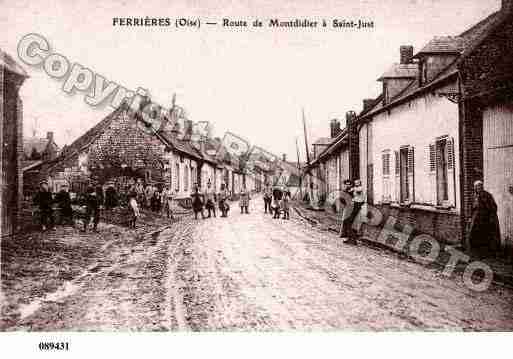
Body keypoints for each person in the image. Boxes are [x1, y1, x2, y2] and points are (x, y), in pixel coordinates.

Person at [467, 180, 501, 256]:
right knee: (473, 234)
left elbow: (493, 207)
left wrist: (490, 215)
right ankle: (475, 251)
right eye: (476, 186)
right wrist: (470, 216)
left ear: (482, 187)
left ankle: (486, 252)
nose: (477, 188)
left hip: (485, 218)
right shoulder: (474, 196)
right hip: (475, 217)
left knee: (485, 235)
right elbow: (471, 207)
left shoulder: (487, 195)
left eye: (479, 186)